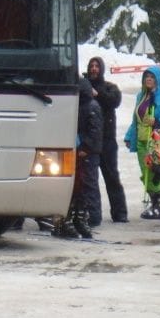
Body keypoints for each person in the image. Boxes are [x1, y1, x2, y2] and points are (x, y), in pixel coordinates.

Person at [39, 78, 102, 238]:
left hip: (83, 152)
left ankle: (76, 218)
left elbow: (94, 131)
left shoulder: (89, 107)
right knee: (75, 187)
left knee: (82, 187)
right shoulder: (81, 106)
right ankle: (70, 219)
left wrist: (85, 147)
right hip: (77, 151)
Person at [124, 65, 160, 220]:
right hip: (142, 140)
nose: (149, 79)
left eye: (152, 77)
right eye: (146, 77)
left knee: (155, 172)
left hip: (157, 141)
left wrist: (158, 120)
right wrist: (129, 136)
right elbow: (136, 119)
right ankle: (156, 205)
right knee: (145, 174)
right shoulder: (140, 96)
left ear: (158, 79)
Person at [85, 56, 128, 224]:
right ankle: (93, 214)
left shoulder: (110, 88)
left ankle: (120, 213)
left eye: (97, 66)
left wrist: (97, 94)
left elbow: (114, 101)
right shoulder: (84, 87)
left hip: (108, 141)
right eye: (91, 66)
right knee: (90, 179)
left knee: (112, 177)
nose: (94, 69)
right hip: (90, 141)